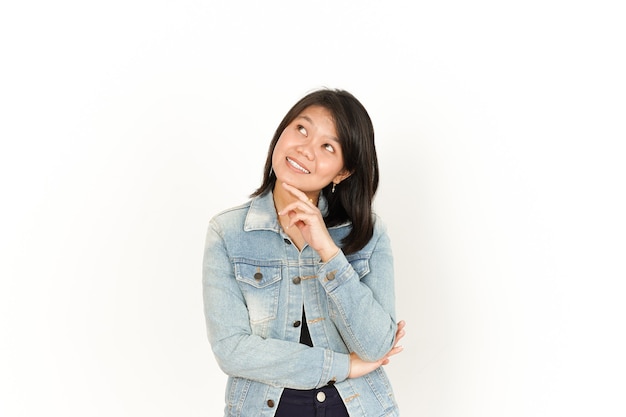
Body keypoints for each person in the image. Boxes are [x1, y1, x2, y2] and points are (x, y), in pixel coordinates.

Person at [202, 88, 405, 416]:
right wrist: (341, 366)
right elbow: (232, 350)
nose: (305, 150)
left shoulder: (368, 233)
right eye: (301, 129)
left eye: (327, 146)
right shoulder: (228, 233)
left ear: (343, 171)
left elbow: (377, 346)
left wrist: (327, 250)